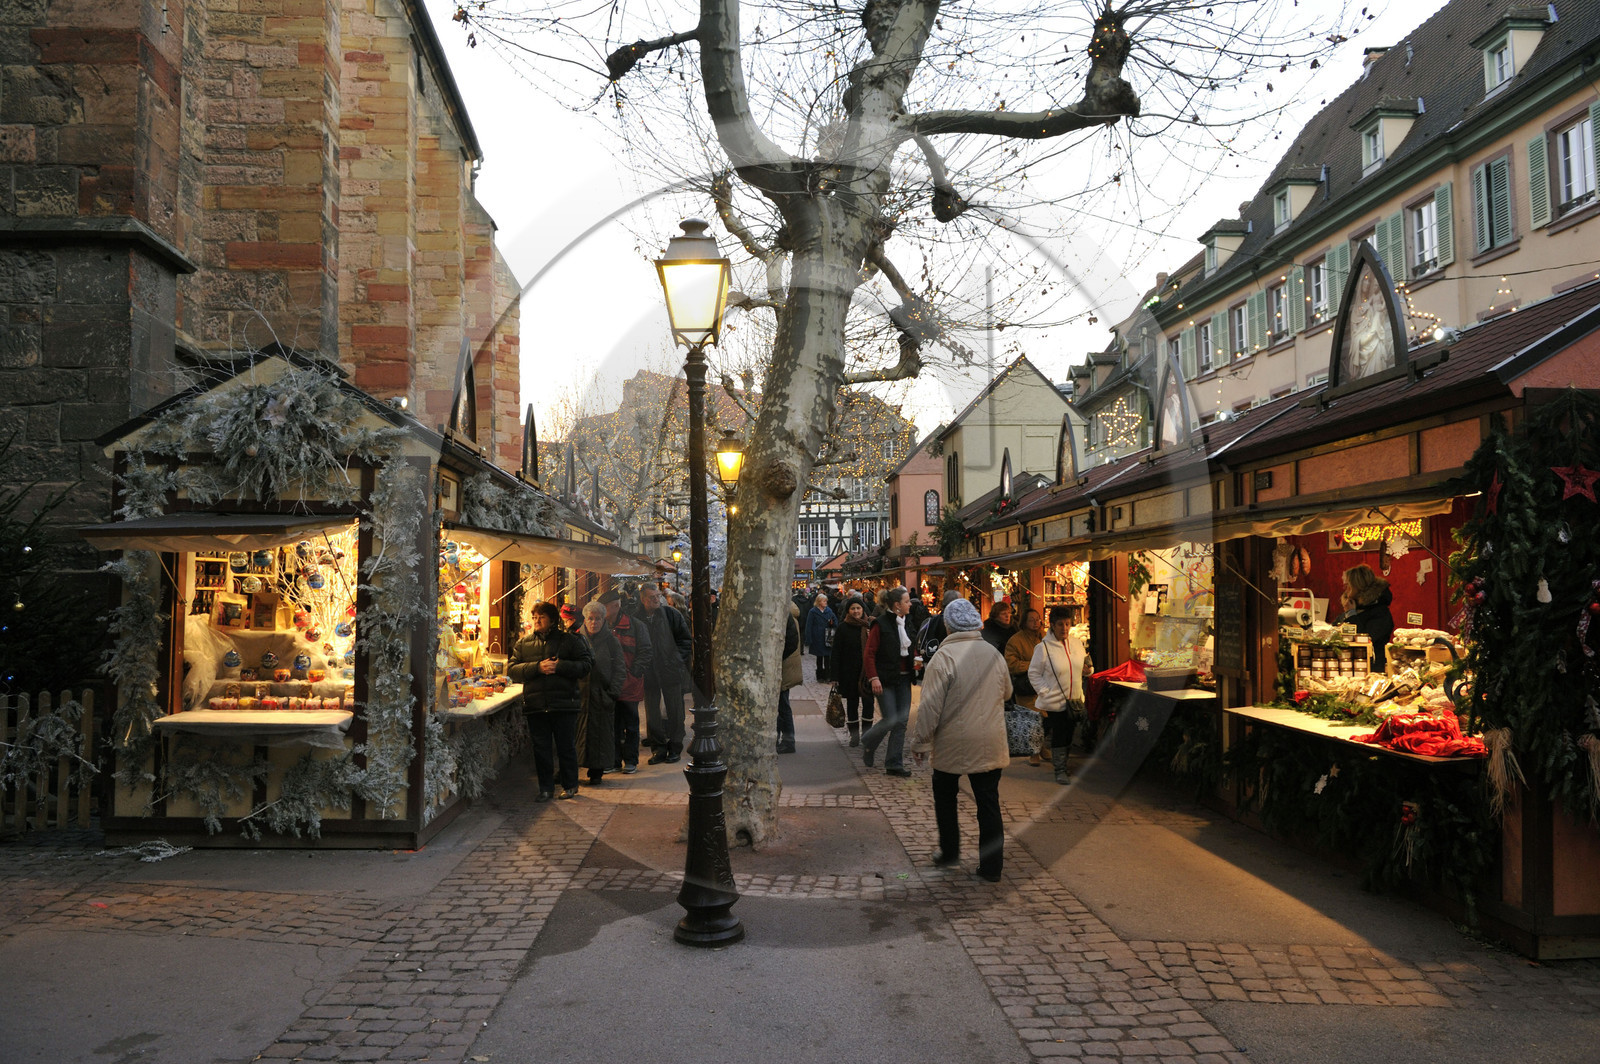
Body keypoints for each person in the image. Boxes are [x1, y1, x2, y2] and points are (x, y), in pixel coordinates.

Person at [908, 597, 1011, 883]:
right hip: (989, 738)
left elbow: (929, 707)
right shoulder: (993, 653)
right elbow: (1006, 693)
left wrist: (920, 742)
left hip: (952, 740)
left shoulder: (943, 657)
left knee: (945, 797)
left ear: (948, 625)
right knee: (988, 803)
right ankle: (992, 867)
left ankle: (950, 853)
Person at [509, 601, 593, 801]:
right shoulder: (524, 644)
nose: (537, 621)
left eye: (542, 617)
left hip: (564, 703)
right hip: (536, 705)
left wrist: (560, 666)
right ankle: (545, 788)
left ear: (553, 620)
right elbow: (512, 670)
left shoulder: (570, 641)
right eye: (535, 617)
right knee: (541, 749)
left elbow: (586, 664)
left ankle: (570, 785)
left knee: (566, 747)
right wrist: (537, 667)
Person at [1029, 606, 1092, 786]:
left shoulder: (1076, 643)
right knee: (1059, 734)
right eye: (1060, 624)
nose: (1064, 628)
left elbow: (1085, 664)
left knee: (1069, 734)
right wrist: (1045, 691)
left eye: (1067, 624)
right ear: (1052, 625)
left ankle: (1063, 764)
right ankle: (1060, 769)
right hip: (1054, 701)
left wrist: (1088, 670)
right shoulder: (1044, 648)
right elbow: (1033, 673)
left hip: (1074, 699)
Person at [860, 586, 918, 778]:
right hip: (885, 679)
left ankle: (894, 763)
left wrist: (916, 661)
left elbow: (911, 646)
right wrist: (873, 677)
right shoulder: (881, 624)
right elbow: (869, 653)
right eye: (907, 601)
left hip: (904, 677)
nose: (910, 604)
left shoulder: (907, 622)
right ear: (897, 605)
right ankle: (868, 741)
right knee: (891, 718)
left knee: (901, 722)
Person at [635, 584, 692, 764]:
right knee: (652, 712)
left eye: (657, 596)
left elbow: (685, 640)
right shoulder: (637, 618)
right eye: (652, 597)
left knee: (675, 710)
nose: (656, 600)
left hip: (670, 670)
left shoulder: (671, 615)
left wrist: (676, 660)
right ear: (643, 599)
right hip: (649, 672)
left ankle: (675, 747)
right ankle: (658, 749)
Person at [600, 589, 652, 774]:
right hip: (609, 683)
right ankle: (614, 760)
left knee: (630, 723)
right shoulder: (601, 626)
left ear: (615, 606)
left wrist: (634, 673)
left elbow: (645, 651)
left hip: (630, 684)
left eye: (603, 608)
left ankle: (630, 760)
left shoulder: (635, 626)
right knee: (612, 724)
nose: (600, 611)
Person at [577, 601, 623, 786]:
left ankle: (597, 771)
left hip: (601, 695)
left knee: (600, 735)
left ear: (604, 620)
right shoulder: (576, 639)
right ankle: (574, 768)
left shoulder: (611, 641)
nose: (594, 622)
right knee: (578, 733)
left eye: (598, 619)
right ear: (585, 619)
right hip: (579, 695)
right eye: (590, 618)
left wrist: (611, 694)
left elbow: (620, 669)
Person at [1004, 607, 1046, 765]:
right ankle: (1034, 752)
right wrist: (1033, 665)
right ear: (1024, 622)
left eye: (1038, 619)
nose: (1036, 623)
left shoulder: (1045, 637)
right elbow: (1011, 664)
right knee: (1032, 718)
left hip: (1044, 685)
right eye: (1031, 620)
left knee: (1044, 717)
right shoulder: (1016, 640)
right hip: (1026, 685)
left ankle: (1041, 748)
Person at [831, 597, 875, 747]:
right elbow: (836, 653)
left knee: (869, 704)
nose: (856, 611)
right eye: (853, 609)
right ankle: (854, 736)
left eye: (858, 608)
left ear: (863, 609)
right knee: (852, 704)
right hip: (848, 673)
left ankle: (868, 735)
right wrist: (834, 676)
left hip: (867, 673)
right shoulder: (843, 628)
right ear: (848, 611)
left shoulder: (870, 626)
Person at [1336, 563, 1395, 669]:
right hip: (1347, 665)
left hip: (1371, 668)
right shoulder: (1354, 608)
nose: (1346, 590)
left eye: (1349, 586)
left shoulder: (1380, 613)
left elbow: (1365, 638)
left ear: (1359, 587)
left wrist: (1351, 615)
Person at [778, 602, 802, 753]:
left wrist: (775, 658)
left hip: (783, 667)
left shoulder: (785, 613)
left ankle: (788, 741)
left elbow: (791, 642)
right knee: (781, 705)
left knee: (782, 705)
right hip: (784, 666)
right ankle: (784, 740)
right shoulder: (786, 611)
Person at [803, 593, 837, 682]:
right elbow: (808, 625)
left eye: (826, 601)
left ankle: (827, 675)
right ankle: (820, 675)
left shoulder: (829, 611)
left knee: (827, 657)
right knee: (819, 657)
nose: (825, 602)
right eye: (823, 601)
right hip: (817, 636)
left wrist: (832, 623)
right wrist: (808, 638)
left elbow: (835, 621)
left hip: (827, 636)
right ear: (818, 602)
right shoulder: (813, 612)